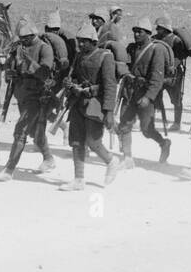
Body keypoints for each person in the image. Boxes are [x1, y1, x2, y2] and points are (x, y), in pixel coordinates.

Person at [0, 20, 56, 182]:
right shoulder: (18, 47)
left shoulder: (44, 48)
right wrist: (10, 73)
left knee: (20, 131)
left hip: (38, 96)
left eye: (25, 38)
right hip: (21, 94)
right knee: (35, 132)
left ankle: (9, 169)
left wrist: (28, 60)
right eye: (20, 38)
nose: (22, 41)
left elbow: (44, 73)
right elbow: (9, 67)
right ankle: (49, 158)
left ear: (33, 35)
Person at [63, 23, 121, 191]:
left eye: (84, 41)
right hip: (77, 102)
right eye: (79, 41)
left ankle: (111, 161)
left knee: (93, 141)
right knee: (76, 141)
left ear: (93, 41)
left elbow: (110, 85)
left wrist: (109, 112)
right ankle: (78, 179)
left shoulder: (105, 56)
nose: (80, 44)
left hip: (95, 104)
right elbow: (73, 76)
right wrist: (69, 83)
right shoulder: (78, 56)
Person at [118, 17, 173, 169]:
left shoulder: (157, 50)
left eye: (139, 32)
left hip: (146, 93)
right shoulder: (131, 48)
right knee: (125, 125)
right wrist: (126, 73)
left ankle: (164, 143)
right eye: (134, 31)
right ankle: (127, 158)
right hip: (130, 91)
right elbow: (124, 65)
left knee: (146, 129)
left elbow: (157, 78)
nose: (136, 34)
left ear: (148, 33)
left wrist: (148, 97)